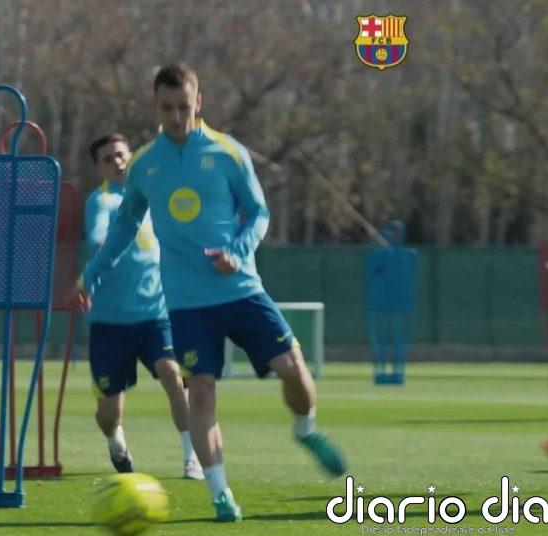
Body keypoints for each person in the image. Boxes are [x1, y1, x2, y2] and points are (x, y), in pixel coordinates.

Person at [78, 65, 346, 521]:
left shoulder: (227, 152)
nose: (177, 116)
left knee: (294, 369)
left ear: (198, 102)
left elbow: (258, 213)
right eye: (167, 108)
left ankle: (305, 429)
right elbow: (123, 227)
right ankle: (220, 494)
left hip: (241, 289)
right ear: (156, 107)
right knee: (199, 392)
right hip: (186, 302)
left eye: (184, 106)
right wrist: (92, 275)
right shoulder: (146, 163)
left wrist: (237, 252)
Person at [84, 132, 202, 480]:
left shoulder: (155, 195)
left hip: (156, 313)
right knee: (109, 410)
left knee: (172, 373)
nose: (118, 162)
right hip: (111, 321)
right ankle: (115, 440)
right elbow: (96, 238)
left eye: (121, 155)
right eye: (108, 159)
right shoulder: (102, 201)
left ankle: (191, 456)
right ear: (99, 169)